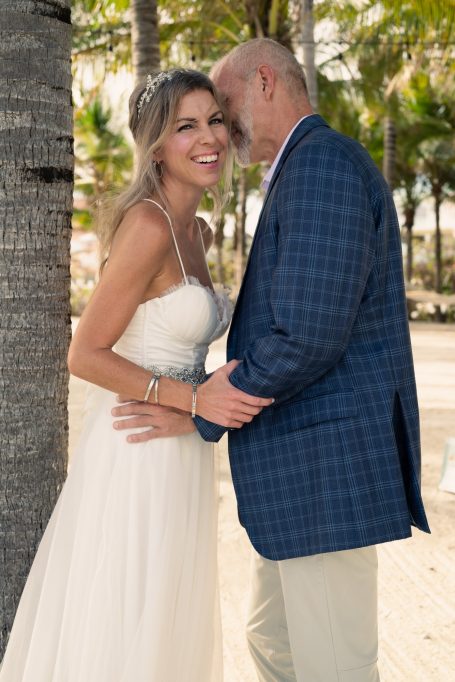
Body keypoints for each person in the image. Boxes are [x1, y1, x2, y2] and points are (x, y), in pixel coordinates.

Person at [114, 40, 431, 682]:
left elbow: (307, 334)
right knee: (275, 643)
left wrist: (205, 410)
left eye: (224, 109)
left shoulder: (321, 169)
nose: (221, 131)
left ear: (265, 82)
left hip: (325, 472)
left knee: (334, 663)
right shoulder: (302, 169)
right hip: (301, 473)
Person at [0, 68, 271, 682]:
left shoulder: (195, 231)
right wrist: (192, 399)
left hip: (177, 446)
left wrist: (192, 407)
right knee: (125, 614)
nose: (209, 138)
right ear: (155, 147)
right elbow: (86, 353)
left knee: (165, 617)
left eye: (215, 120)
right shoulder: (148, 226)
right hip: (136, 450)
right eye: (186, 127)